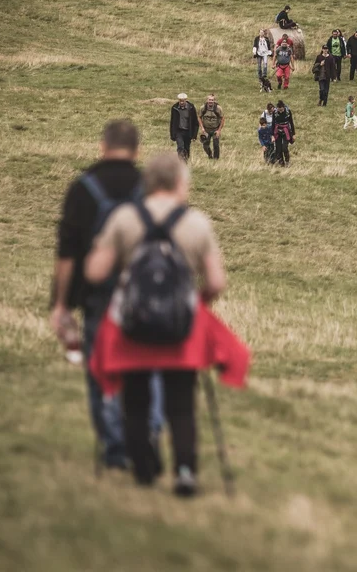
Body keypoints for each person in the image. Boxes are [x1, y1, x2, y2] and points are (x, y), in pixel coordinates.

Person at [84, 152, 229, 496]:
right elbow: (217, 282)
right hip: (180, 326)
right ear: (181, 183)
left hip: (133, 324)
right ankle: (184, 471)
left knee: (134, 399)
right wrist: (197, 299)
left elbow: (94, 273)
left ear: (147, 183)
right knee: (180, 402)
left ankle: (143, 467)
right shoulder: (196, 223)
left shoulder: (124, 218)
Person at [50, 120, 156, 472]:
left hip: (98, 295)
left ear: (102, 146)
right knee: (144, 367)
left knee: (101, 370)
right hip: (144, 294)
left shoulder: (82, 189)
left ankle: (114, 449)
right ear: (137, 151)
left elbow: (67, 253)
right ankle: (147, 434)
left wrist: (61, 304)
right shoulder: (150, 189)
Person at [169, 93, 199, 161]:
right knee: (180, 147)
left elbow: (195, 122)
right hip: (179, 131)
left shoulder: (191, 108)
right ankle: (181, 161)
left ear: (186, 100)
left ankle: (185, 161)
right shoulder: (174, 108)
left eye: (183, 101)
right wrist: (172, 134)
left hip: (188, 131)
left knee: (186, 148)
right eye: (180, 101)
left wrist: (194, 135)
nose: (181, 102)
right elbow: (172, 122)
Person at [197, 95, 224, 161]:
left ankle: (216, 159)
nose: (210, 101)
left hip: (215, 129)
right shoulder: (203, 108)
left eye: (212, 100)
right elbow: (199, 117)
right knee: (205, 145)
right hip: (206, 130)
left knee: (216, 145)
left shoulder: (218, 108)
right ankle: (210, 155)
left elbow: (222, 119)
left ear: (214, 101)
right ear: (207, 100)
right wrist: (202, 128)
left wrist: (219, 130)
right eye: (209, 100)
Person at [270, 100, 295, 167]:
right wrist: (272, 135)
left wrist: (293, 134)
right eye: (279, 110)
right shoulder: (274, 113)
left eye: (281, 110)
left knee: (284, 148)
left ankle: (287, 161)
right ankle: (281, 163)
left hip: (286, 131)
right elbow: (273, 124)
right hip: (277, 132)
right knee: (278, 148)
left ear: (283, 107)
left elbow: (291, 122)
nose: (280, 111)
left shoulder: (288, 112)